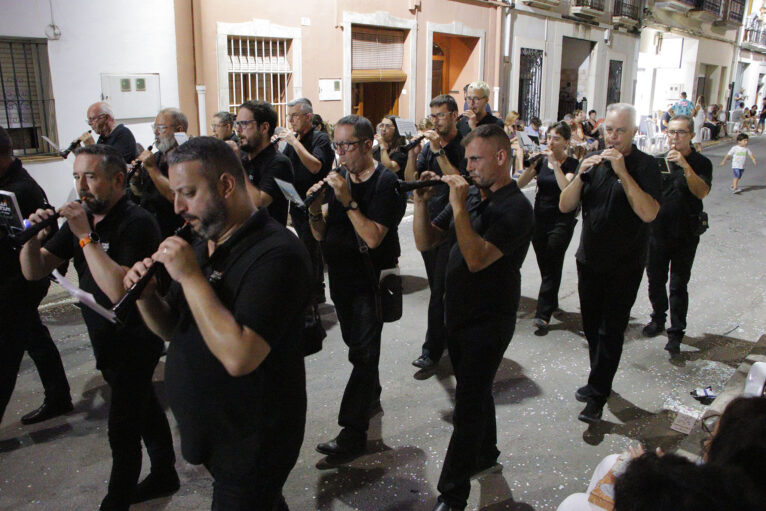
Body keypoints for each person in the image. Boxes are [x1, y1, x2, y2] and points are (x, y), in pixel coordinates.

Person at [124, 136, 310, 510]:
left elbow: (241, 356)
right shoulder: (202, 239)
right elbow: (174, 328)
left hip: (254, 439)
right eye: (175, 194)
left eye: (188, 193)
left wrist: (191, 278)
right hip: (216, 430)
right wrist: (146, 297)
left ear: (226, 185)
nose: (177, 207)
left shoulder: (278, 253)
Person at [19, 144, 178, 511]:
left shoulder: (136, 221)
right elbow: (34, 270)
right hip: (104, 336)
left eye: (90, 177)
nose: (81, 187)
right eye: (76, 177)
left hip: (136, 337)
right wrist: (29, 239)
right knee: (144, 409)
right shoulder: (84, 220)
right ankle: (164, 472)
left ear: (118, 179)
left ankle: (116, 500)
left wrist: (85, 237)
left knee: (122, 427)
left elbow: (120, 290)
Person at [413, 124, 533, 511]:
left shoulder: (515, 207)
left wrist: (460, 205)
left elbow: (477, 257)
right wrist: (421, 201)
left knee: (466, 406)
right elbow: (427, 241)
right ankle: (487, 453)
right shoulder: (472, 197)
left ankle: (453, 495)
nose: (469, 167)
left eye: (476, 159)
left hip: (489, 321)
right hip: (458, 315)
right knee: (475, 389)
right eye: (467, 160)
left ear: (501, 157)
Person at [306, 115, 404, 458]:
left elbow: (374, 236)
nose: (341, 153)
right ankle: (371, 392)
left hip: (369, 283)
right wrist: (315, 212)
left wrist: (347, 199)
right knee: (356, 347)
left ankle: (352, 432)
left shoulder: (386, 183)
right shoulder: (341, 177)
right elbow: (322, 234)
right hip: (342, 280)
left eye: (347, 146)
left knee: (362, 354)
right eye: (337, 145)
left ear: (367, 145)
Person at [559, 103, 661, 423]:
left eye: (620, 131)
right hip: (588, 261)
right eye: (609, 130)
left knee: (611, 330)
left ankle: (599, 394)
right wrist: (581, 175)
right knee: (591, 327)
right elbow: (565, 206)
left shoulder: (645, 166)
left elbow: (649, 213)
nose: (613, 138)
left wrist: (622, 172)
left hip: (625, 266)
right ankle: (597, 379)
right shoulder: (594, 162)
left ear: (633, 133)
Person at [0, 126, 72, 427]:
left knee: (8, 351)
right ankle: (58, 397)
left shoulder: (23, 188)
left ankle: (58, 397)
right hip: (10, 278)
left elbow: (48, 235)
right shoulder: (7, 182)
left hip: (20, 282)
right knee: (34, 338)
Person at [405, 95, 466, 370]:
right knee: (438, 287)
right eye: (433, 116)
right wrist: (413, 156)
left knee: (441, 289)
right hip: (431, 219)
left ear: (454, 115)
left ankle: (432, 349)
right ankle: (446, 341)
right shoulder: (429, 147)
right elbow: (412, 179)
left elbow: (459, 183)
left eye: (441, 115)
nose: (436, 121)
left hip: (454, 220)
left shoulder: (463, 145)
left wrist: (439, 150)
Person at [642, 116, 712, 353]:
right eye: (671, 132)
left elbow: (701, 192)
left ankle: (676, 332)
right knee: (655, 280)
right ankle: (658, 318)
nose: (674, 137)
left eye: (680, 132)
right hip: (657, 232)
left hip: (685, 234)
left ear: (691, 135)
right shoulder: (658, 162)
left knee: (678, 285)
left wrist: (684, 165)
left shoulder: (701, 163)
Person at [517, 121, 578, 333]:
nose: (551, 142)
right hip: (540, 219)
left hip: (561, 220)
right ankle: (551, 300)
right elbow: (520, 184)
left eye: (556, 138)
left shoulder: (572, 164)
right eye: (549, 137)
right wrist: (530, 166)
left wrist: (556, 164)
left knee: (552, 261)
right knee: (546, 264)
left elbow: (566, 188)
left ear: (567, 142)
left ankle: (543, 314)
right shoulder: (542, 162)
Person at [279, 97, 335, 304]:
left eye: (294, 115)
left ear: (308, 117)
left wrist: (294, 142)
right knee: (304, 247)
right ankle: (308, 290)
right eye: (289, 116)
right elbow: (285, 168)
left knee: (311, 249)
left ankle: (315, 292)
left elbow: (315, 167)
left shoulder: (320, 139)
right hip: (296, 202)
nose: (290, 120)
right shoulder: (295, 140)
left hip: (316, 202)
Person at [235, 100, 294, 226]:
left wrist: (234, 164)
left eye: (244, 124)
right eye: (237, 124)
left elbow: (259, 203)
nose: (238, 130)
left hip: (267, 240)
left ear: (264, 128)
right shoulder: (243, 158)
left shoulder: (279, 163)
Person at [131, 108, 187, 237]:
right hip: (150, 229)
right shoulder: (157, 157)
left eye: (161, 128)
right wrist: (136, 180)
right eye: (154, 128)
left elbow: (178, 197)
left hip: (173, 231)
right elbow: (141, 194)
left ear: (179, 130)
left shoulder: (189, 159)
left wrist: (152, 169)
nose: (156, 133)